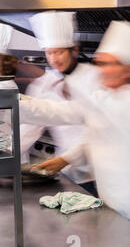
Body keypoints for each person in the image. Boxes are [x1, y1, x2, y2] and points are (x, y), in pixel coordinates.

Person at [19, 20, 130, 247]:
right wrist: (14, 103)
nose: (102, 70)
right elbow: (62, 114)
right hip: (115, 211)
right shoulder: (101, 98)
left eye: (109, 63)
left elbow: (114, 121)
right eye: (101, 63)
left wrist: (74, 87)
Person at [21, 11, 99, 195]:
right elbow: (29, 128)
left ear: (74, 50)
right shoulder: (43, 85)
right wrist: (7, 154)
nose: (54, 59)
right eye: (49, 53)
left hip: (96, 175)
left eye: (59, 52)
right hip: (65, 174)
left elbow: (97, 129)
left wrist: (67, 158)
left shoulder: (95, 78)